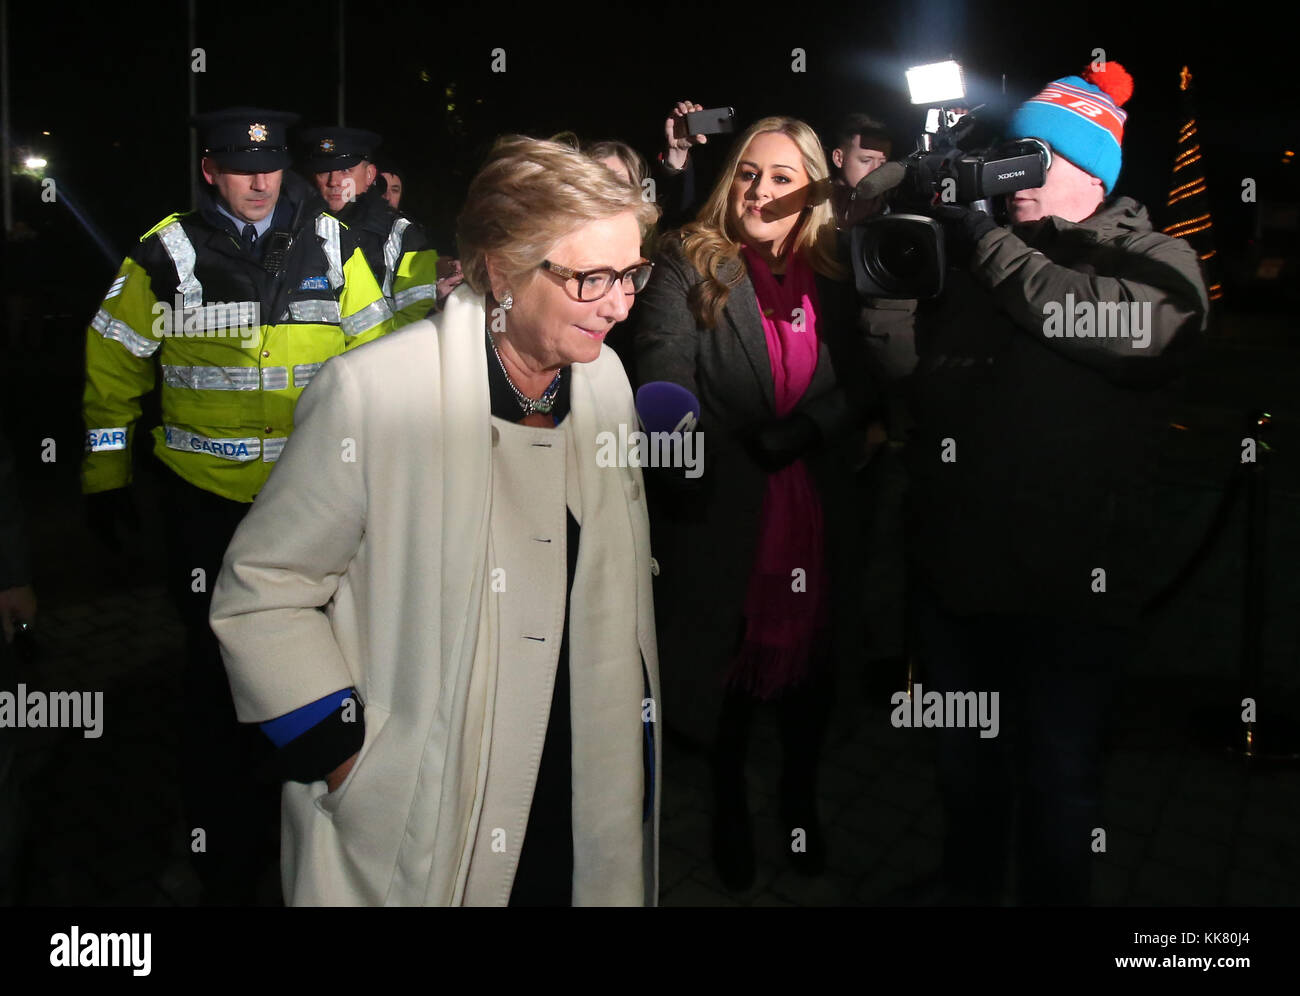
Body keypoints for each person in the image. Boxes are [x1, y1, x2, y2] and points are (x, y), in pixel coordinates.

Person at [210, 136, 663, 906]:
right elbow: (263, 590)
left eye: (630, 275)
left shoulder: (609, 379)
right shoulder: (375, 395)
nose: (619, 304)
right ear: (502, 268)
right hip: (427, 811)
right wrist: (348, 754)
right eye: (591, 277)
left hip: (584, 777)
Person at [866, 62, 1209, 904]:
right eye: (1011, 151)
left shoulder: (1158, 260)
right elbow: (911, 376)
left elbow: (1093, 320)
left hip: (1072, 590)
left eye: (1038, 158)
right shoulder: (983, 256)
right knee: (965, 771)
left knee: (1059, 786)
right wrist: (896, 263)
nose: (1015, 170)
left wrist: (984, 243)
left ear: (1093, 172)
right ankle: (969, 886)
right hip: (960, 578)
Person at [81, 106, 396, 905]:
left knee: (320, 666)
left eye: (269, 164)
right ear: (210, 171)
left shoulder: (332, 242)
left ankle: (311, 825)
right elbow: (114, 361)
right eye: (236, 164)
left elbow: (380, 355)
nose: (258, 180)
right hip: (207, 508)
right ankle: (224, 848)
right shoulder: (167, 253)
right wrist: (104, 480)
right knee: (216, 682)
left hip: (316, 502)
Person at [630, 116, 875, 889]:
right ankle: (728, 802)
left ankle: (799, 801)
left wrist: (810, 427)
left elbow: (868, 379)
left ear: (811, 191)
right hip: (725, 515)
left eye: (780, 178)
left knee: (812, 673)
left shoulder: (840, 269)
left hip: (822, 509)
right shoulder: (687, 261)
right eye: (746, 173)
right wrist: (698, 470)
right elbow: (663, 383)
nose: (759, 193)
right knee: (727, 675)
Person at [300, 126, 461, 325]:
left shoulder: (404, 234)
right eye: (324, 171)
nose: (334, 181)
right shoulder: (294, 230)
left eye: (345, 170)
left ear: (369, 175)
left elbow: (416, 319)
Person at [828, 113, 893, 229]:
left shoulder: (884, 206)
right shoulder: (811, 204)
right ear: (839, 158)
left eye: (882, 163)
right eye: (866, 161)